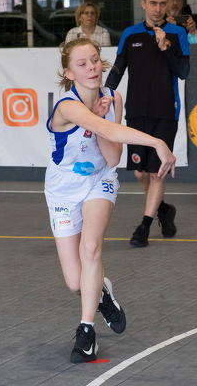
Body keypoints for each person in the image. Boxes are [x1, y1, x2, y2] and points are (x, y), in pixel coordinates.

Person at [45, 37, 176, 363]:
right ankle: (102, 292)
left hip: (99, 181)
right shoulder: (67, 107)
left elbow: (114, 157)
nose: (91, 68)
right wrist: (157, 142)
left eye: (94, 60)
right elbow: (110, 132)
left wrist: (105, 124)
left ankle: (86, 333)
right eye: (82, 64)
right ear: (69, 73)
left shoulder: (113, 97)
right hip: (63, 188)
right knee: (75, 282)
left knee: (91, 247)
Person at [105, 0, 190, 248]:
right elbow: (118, 70)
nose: (158, 8)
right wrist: (104, 95)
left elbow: (183, 72)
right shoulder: (129, 34)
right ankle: (163, 209)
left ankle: (144, 226)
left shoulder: (177, 33)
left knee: (156, 173)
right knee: (141, 173)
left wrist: (165, 47)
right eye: (153, 3)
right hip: (137, 112)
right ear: (143, 3)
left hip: (166, 112)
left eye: (163, 3)